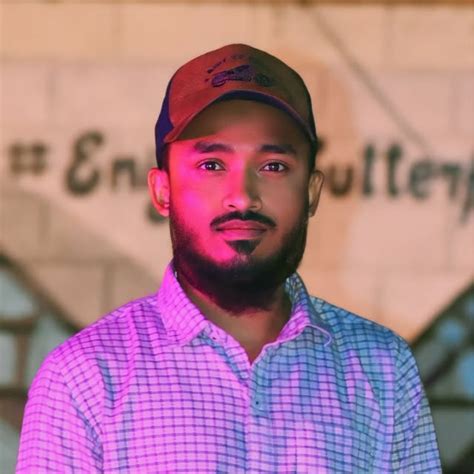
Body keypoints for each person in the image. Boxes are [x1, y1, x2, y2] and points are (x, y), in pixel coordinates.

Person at [17, 44, 441, 473]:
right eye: (212, 165)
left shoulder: (383, 369)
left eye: (273, 166)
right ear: (162, 190)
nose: (242, 197)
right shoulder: (85, 377)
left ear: (311, 192)